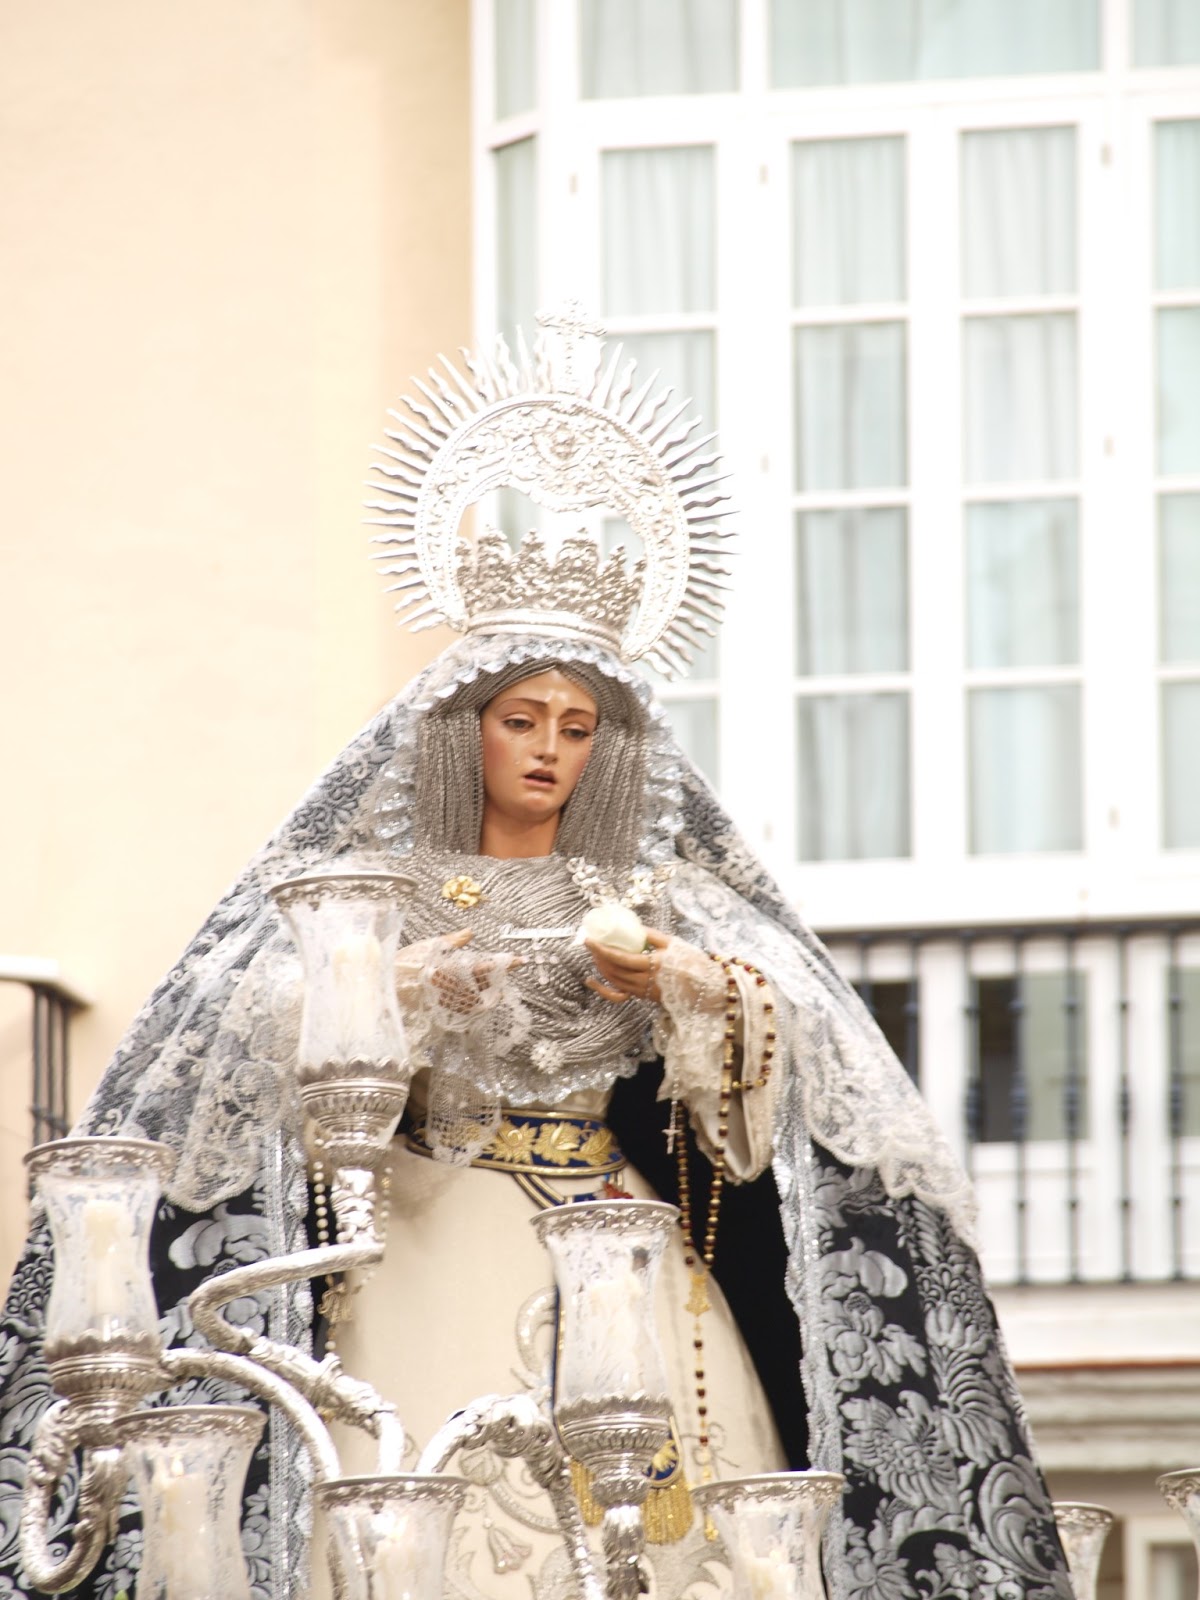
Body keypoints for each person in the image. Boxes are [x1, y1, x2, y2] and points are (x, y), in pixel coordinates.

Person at [0, 315, 1073, 1600]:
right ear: (469, 730)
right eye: (523, 719)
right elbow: (246, 1025)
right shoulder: (378, 892)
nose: (550, 747)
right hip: (431, 1228)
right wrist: (393, 990)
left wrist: (689, 990)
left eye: (575, 725)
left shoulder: (651, 894)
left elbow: (788, 1038)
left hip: (619, 1245)